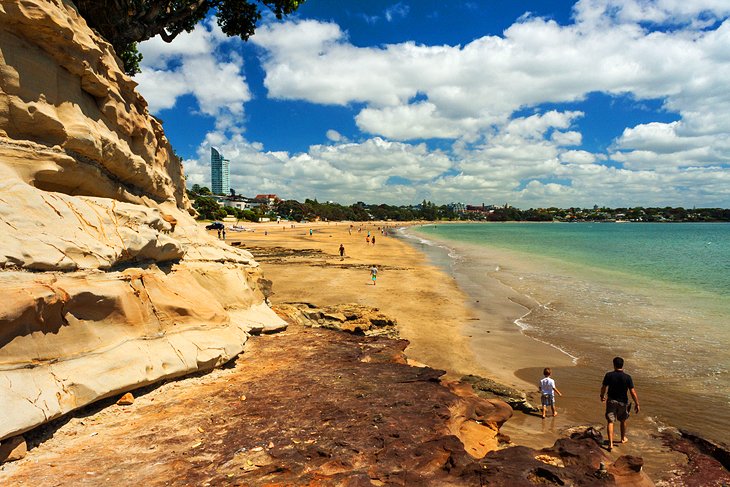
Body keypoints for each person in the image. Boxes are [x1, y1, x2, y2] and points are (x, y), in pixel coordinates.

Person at [600, 356, 640, 451]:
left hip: (611, 400)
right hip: (623, 402)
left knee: (610, 421)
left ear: (614, 365)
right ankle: (622, 439)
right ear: (622, 365)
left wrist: (602, 396)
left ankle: (610, 444)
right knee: (623, 420)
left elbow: (604, 387)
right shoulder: (628, 377)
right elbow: (632, 392)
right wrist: (637, 404)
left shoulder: (609, 375)